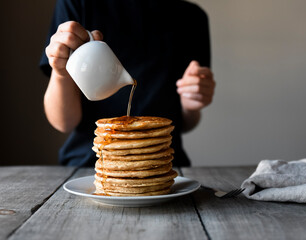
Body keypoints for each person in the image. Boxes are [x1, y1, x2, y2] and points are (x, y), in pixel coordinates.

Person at [40, 0, 215, 167]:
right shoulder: (79, 3)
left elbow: (186, 122)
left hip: (163, 162)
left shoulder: (192, 18)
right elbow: (63, 123)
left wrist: (191, 104)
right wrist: (61, 72)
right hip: (90, 163)